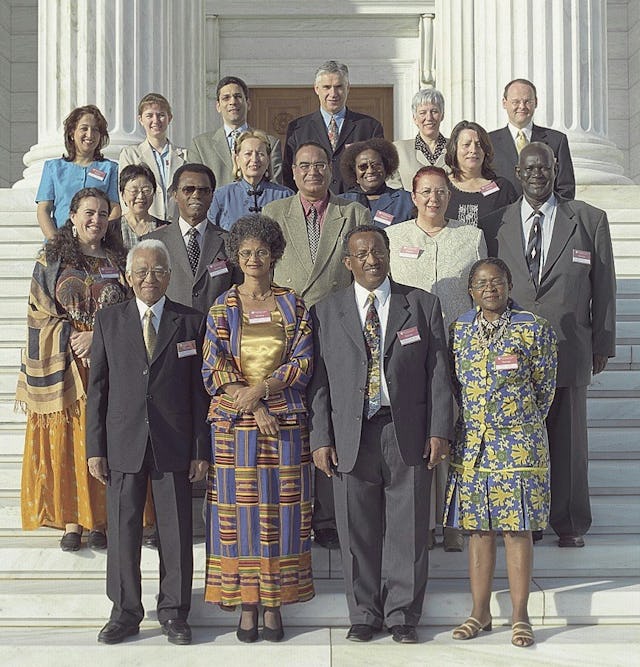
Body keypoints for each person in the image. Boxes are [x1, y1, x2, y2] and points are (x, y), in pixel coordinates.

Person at [308, 225, 452, 644]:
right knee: (357, 530)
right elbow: (318, 382)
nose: (371, 260)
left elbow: (438, 373)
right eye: (362, 254)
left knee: (408, 529)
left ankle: (403, 614)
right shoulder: (326, 311)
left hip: (405, 431)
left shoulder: (421, 305)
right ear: (348, 262)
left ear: (390, 255)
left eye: (378, 251)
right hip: (350, 434)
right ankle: (365, 613)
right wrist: (321, 437)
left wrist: (439, 429)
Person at [480, 142, 616, 548]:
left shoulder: (589, 220)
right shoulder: (493, 224)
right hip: (513, 353)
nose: (537, 174)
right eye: (529, 169)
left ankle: (570, 523)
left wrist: (603, 342)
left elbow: (603, 288)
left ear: (556, 170)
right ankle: (528, 519)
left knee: (569, 443)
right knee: (521, 438)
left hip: (570, 346)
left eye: (545, 168)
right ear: (518, 174)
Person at [86, 239, 209, 646]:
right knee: (123, 531)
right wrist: (95, 448)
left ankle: (174, 611)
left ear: (169, 276)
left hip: (174, 443)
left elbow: (199, 393)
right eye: (140, 271)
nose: (149, 279)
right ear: (128, 276)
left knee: (175, 531)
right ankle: (124, 612)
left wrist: (199, 449)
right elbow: (98, 390)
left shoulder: (190, 322)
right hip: (123, 441)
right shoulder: (108, 321)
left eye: (157, 271)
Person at [202, 214, 314, 642]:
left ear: (275, 255)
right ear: (236, 257)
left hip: (284, 426)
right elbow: (214, 363)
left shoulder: (293, 303)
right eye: (245, 252)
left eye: (261, 252)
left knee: (280, 517)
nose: (253, 259)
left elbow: (303, 360)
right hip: (234, 429)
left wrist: (265, 391)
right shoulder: (222, 306)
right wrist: (251, 404)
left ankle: (274, 605)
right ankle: (248, 606)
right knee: (239, 518)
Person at [445, 258, 557, 648]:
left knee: (517, 529)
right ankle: (480, 612)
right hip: (474, 446)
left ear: (509, 285)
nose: (489, 288)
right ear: (471, 290)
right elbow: (456, 387)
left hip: (519, 445)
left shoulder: (534, 329)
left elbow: (545, 389)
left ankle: (520, 615)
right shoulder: (458, 329)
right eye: (480, 283)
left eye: (496, 281)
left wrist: (516, 424)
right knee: (478, 530)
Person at [263, 142, 370, 550]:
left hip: (337, 331)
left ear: (331, 170)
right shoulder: (273, 215)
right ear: (292, 172)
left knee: (330, 416)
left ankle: (326, 515)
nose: (313, 172)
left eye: (320, 165)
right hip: (283, 335)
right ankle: (292, 510)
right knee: (290, 420)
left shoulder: (354, 213)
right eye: (305, 166)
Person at [16, 188, 128, 551]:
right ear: (73, 216)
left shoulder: (119, 260)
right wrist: (71, 336)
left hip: (109, 361)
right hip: (67, 366)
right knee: (70, 443)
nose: (95, 220)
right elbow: (38, 311)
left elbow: (132, 312)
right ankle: (72, 520)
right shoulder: (51, 258)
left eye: (101, 213)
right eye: (88, 213)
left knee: (104, 440)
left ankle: (100, 519)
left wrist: (99, 337)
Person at [386, 166, 487, 552]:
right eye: (425, 191)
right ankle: (423, 523)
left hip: (457, 346)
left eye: (441, 191)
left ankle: (455, 522)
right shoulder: (395, 237)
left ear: (450, 195)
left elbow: (482, 290)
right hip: (409, 349)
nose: (433, 198)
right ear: (413, 196)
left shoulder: (471, 237)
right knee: (418, 432)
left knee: (455, 431)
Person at [144, 163, 238, 314]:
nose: (196, 195)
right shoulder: (152, 243)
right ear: (175, 194)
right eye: (188, 189)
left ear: (212, 195)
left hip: (217, 331)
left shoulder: (229, 241)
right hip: (171, 331)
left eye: (203, 190)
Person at [283, 61, 384, 194]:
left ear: (348, 88)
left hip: (356, 205)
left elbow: (379, 172)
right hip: (312, 205)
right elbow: (289, 174)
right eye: (327, 87)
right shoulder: (298, 128)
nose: (333, 93)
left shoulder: (370, 127)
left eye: (339, 86)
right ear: (316, 89)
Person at [36, 105, 121, 239]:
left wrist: (99, 234)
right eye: (84, 128)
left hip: (96, 244)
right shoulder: (53, 167)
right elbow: (44, 209)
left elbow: (115, 208)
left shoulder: (110, 168)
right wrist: (55, 242)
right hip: (61, 241)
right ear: (71, 133)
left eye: (96, 130)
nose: (90, 134)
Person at [489, 78, 575, 200]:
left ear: (536, 102)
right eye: (515, 102)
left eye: (527, 101)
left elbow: (566, 187)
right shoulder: (489, 142)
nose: (522, 106)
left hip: (544, 215)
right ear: (504, 103)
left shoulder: (557, 140)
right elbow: (483, 183)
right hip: (503, 215)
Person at [188, 76, 283, 186]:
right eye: (226, 98)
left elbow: (276, 185)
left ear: (248, 104)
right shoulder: (200, 145)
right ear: (218, 106)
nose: (232, 102)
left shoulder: (270, 142)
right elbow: (196, 186)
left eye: (238, 96)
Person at [118, 93, 187, 223]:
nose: (155, 120)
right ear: (140, 119)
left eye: (161, 115)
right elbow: (125, 195)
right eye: (149, 115)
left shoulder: (185, 155)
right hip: (143, 224)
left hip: (176, 226)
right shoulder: (130, 154)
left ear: (169, 118)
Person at [207, 130, 293, 230]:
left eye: (260, 154)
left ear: (268, 160)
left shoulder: (286, 196)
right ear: (237, 159)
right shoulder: (221, 197)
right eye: (248, 154)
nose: (254, 159)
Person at [444, 120, 518, 227]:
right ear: (454, 149)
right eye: (466, 145)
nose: (473, 150)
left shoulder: (502, 189)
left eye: (479, 144)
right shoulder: (441, 186)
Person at [339, 138, 415, 227]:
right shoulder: (341, 203)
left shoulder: (406, 200)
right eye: (363, 167)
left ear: (386, 167)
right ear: (354, 172)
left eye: (376, 165)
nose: (370, 171)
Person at [387, 88, 448, 191]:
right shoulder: (398, 150)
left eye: (434, 111)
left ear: (442, 115)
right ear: (415, 118)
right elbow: (394, 191)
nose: (429, 117)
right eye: (422, 113)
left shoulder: (456, 147)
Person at [118, 163, 169, 249]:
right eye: (134, 191)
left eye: (146, 190)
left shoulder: (166, 228)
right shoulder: (110, 230)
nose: (140, 196)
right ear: (123, 195)